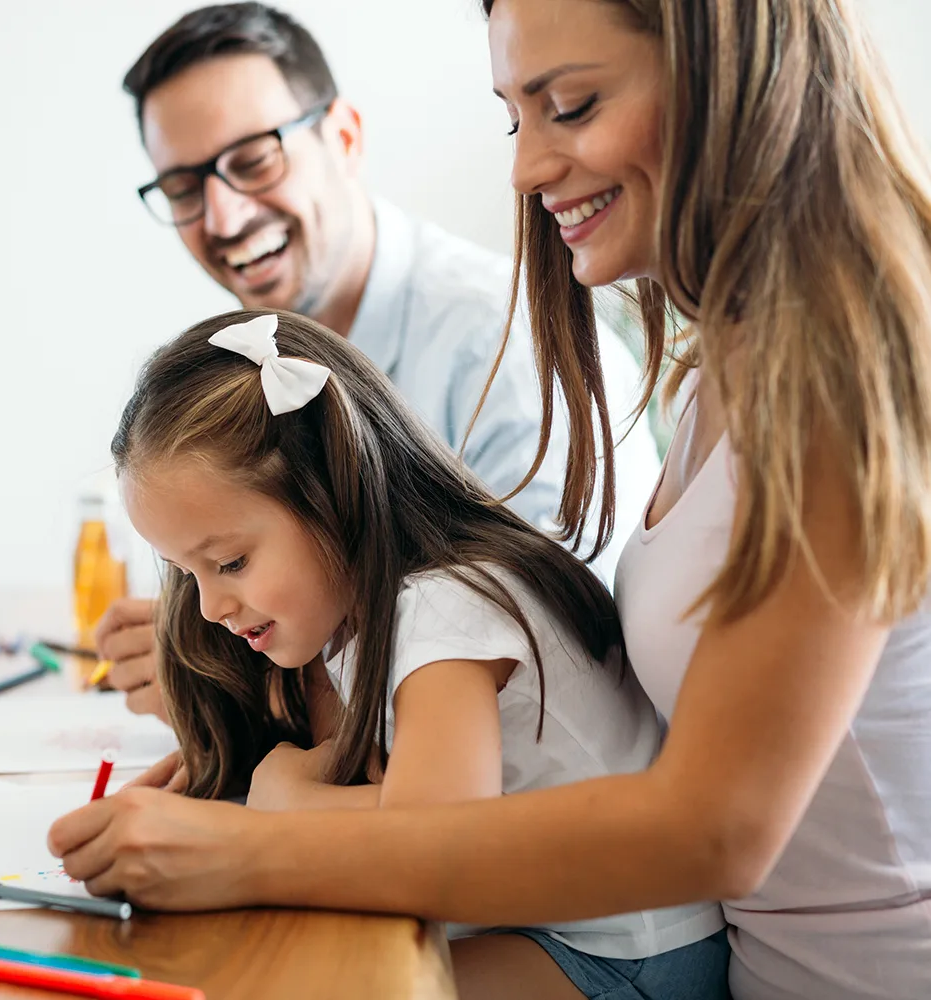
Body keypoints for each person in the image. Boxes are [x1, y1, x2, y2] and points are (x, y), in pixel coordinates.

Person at [50, 0, 931, 997]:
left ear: (726, 70)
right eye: (518, 117)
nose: (523, 170)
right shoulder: (719, 366)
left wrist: (248, 840)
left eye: (570, 103)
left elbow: (713, 827)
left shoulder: (840, 379)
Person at [91, 307, 729, 998]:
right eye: (188, 573)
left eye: (231, 562)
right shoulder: (358, 617)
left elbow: (435, 841)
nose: (210, 606)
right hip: (550, 929)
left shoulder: (443, 607)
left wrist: (284, 801)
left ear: (330, 492)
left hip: (629, 954)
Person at [97, 2, 660, 720]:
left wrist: (241, 681)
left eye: (253, 161)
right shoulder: (254, 371)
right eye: (183, 189)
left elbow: (544, 651)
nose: (224, 218)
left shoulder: (503, 347)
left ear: (344, 137)